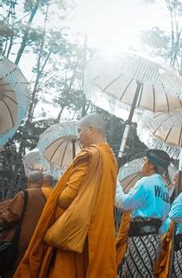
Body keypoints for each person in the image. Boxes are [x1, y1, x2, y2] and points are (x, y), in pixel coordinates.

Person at [14, 113, 118, 277]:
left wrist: (59, 188)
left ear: (91, 129)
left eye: (79, 131)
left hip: (74, 233)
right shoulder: (110, 158)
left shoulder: (89, 155)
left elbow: (66, 198)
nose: (78, 137)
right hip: (98, 231)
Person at [115, 149, 172, 277]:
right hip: (154, 240)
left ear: (151, 165)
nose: (143, 164)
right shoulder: (165, 191)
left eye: (145, 161)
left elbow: (124, 203)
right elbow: (163, 224)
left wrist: (115, 183)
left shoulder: (146, 182)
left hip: (140, 238)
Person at [0, 172, 49, 278]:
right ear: (42, 182)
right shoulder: (47, 195)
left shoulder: (24, 194)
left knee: (14, 268)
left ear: (28, 181)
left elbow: (13, 215)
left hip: (20, 240)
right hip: (39, 238)